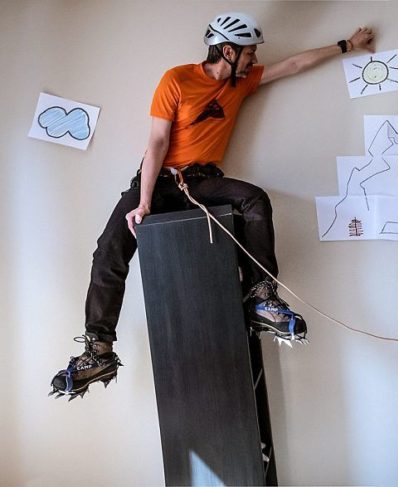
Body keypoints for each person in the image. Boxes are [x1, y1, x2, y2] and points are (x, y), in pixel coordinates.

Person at [50, 12, 376, 399]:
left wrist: (346, 46)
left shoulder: (244, 82)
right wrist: (144, 202)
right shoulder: (177, 80)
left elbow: (293, 64)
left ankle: (261, 299)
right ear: (228, 51)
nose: (254, 59)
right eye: (250, 53)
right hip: (158, 180)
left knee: (254, 199)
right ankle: (98, 351)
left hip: (204, 181)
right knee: (108, 251)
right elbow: (156, 143)